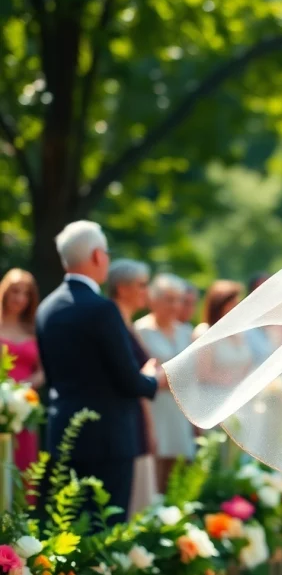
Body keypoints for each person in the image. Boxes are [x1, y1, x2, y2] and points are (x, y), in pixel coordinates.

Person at [35, 221, 165, 524]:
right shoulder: (102, 310)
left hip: (63, 434)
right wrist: (152, 379)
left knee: (66, 529)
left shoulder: (46, 308)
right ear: (97, 256)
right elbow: (127, 379)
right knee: (105, 530)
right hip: (109, 439)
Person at [107, 259, 160, 516]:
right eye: (141, 285)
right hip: (130, 420)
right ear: (122, 287)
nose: (146, 291)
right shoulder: (116, 325)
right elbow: (133, 380)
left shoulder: (125, 323)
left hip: (137, 416)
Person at [135, 274, 195, 490]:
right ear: (154, 299)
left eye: (177, 299)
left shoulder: (186, 332)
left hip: (179, 407)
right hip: (154, 407)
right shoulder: (140, 330)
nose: (174, 305)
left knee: (179, 469)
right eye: (168, 299)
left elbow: (192, 373)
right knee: (154, 469)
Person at [0, 268, 43, 470]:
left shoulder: (33, 330)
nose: (20, 298)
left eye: (26, 293)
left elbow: (43, 370)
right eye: (15, 291)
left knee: (24, 465)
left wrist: (22, 391)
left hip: (24, 409)